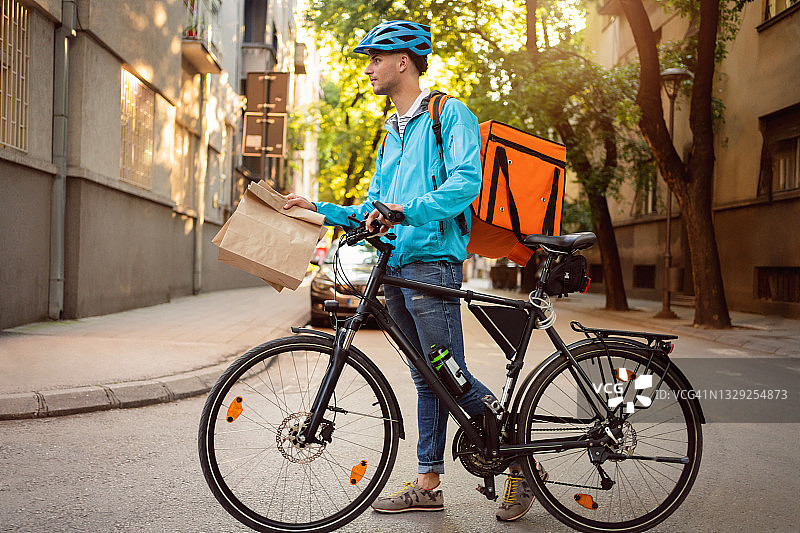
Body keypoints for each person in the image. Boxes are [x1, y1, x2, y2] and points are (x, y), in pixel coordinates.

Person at [283, 19, 544, 522]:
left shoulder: (450, 115)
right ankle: (429, 483)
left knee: (449, 372)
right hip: (396, 264)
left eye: (375, 59)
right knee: (427, 376)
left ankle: (524, 462)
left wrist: (408, 211)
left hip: (432, 264)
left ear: (403, 60)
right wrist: (317, 209)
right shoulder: (391, 133)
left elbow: (466, 183)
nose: (369, 69)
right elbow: (374, 207)